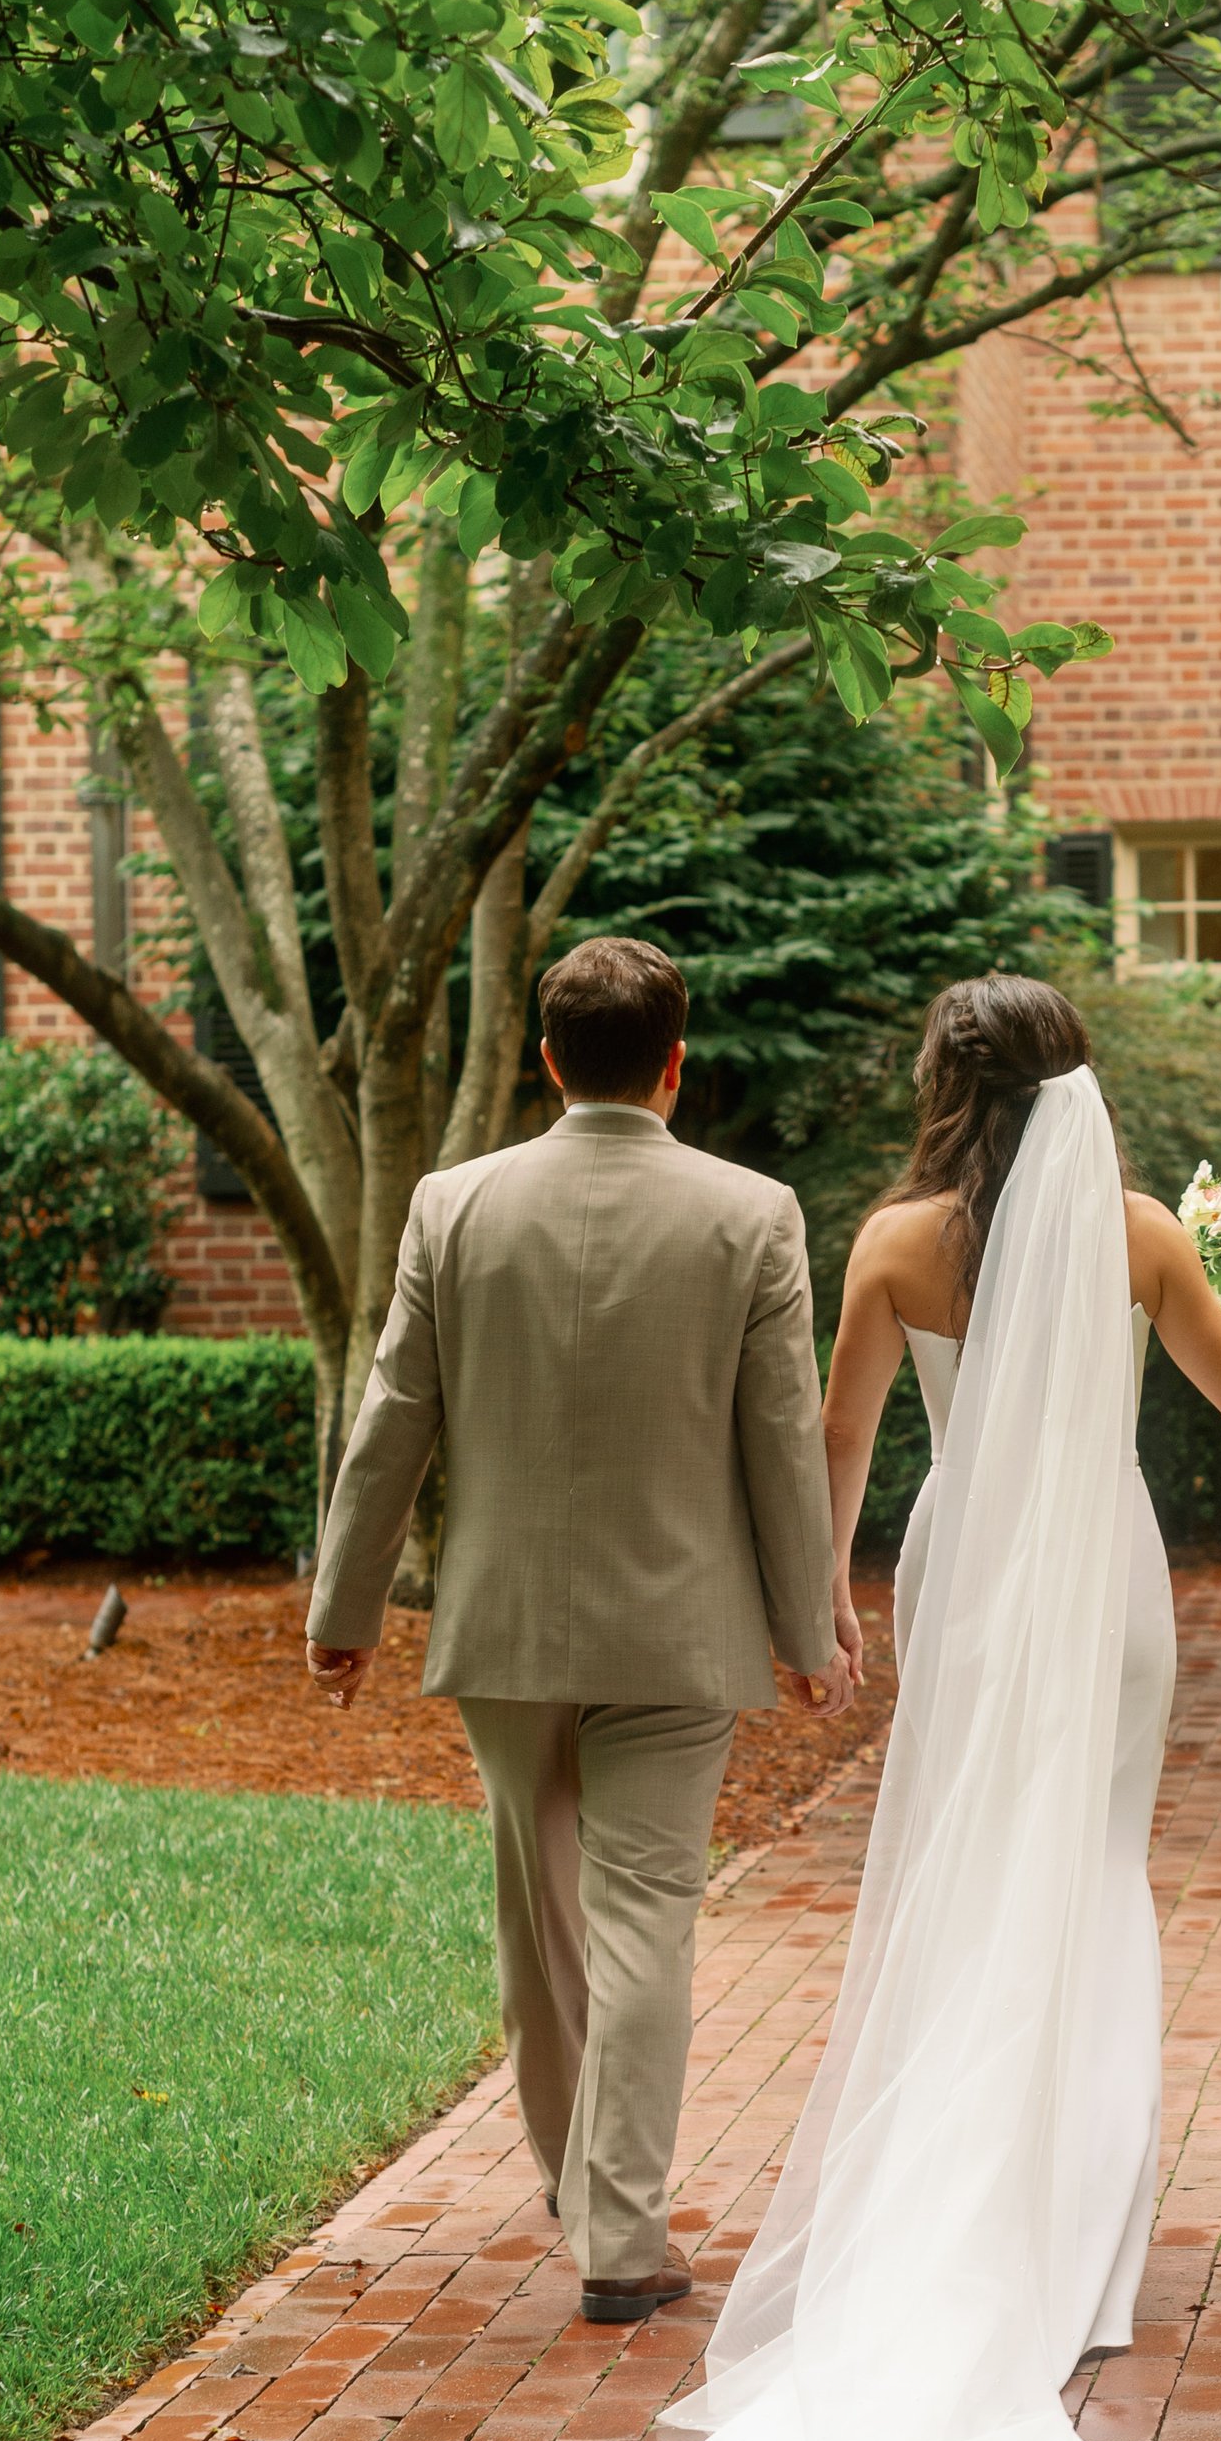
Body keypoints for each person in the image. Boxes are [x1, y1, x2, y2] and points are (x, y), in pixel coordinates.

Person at [621, 973, 1221, 2441]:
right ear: (1077, 1084)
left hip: (971, 1588)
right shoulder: (1146, 1233)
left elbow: (837, 1445)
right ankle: (1078, 2262)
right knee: (1089, 1883)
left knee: (961, 1882)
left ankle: (980, 2207)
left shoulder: (898, 1244)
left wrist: (819, 1606)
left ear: (943, 1084)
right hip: (1108, 1597)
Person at [303, 936, 852, 2326]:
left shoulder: (453, 1204)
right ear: (678, 1061)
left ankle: (579, 2183)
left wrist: (346, 1605)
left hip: (502, 1626)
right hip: (677, 1630)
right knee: (644, 1921)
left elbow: (391, 1427)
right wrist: (808, 1627)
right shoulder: (754, 1214)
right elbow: (782, 1442)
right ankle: (619, 2228)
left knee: (539, 1912)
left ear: (549, 1059)